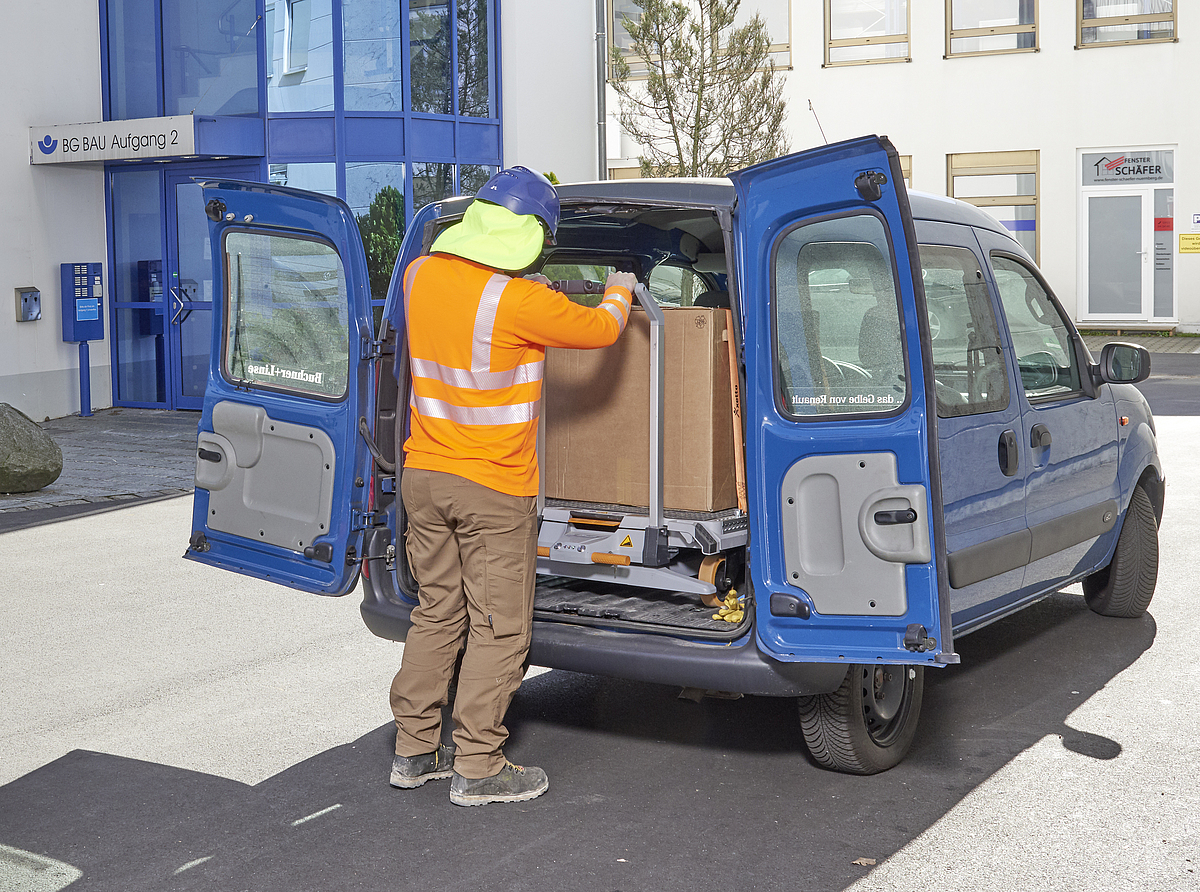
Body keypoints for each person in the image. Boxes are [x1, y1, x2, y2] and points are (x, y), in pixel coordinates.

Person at [388, 166, 637, 806]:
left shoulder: (420, 276)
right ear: (529, 237)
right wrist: (620, 289)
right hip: (492, 491)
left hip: (424, 477)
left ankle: (414, 751)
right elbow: (602, 331)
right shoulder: (522, 302)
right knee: (499, 628)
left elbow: (464, 312)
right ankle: (479, 765)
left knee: (437, 611)